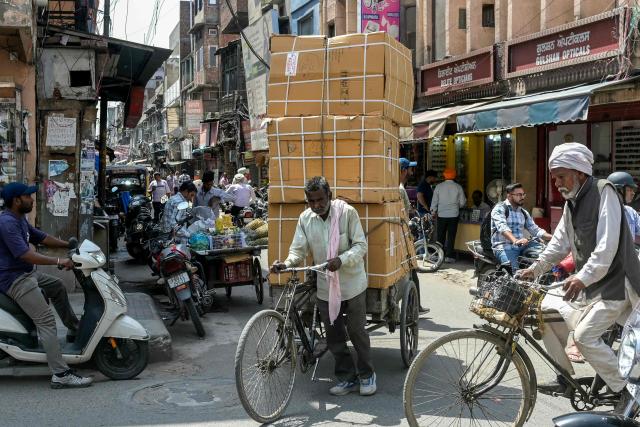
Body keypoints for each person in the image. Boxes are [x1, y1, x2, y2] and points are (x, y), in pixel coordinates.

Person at [519, 143, 640, 411]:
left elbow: (607, 246)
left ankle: (626, 392)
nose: (557, 182)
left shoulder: (603, 191)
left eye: (562, 176)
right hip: (592, 284)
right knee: (544, 309)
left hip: (617, 285)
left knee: (585, 337)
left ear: (580, 173)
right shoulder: (571, 202)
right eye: (554, 177)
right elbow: (560, 243)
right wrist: (535, 269)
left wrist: (582, 277)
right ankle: (564, 376)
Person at [271, 176, 376, 396]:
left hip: (352, 285)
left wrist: (342, 260)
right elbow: (297, 250)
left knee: (357, 332)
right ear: (307, 200)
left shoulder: (347, 213)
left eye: (320, 199)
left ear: (329, 195)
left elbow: (360, 246)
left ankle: (367, 375)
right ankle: (347, 378)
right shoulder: (305, 219)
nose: (317, 205)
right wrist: (286, 263)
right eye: (311, 201)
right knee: (334, 336)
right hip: (325, 285)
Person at [0, 182, 93, 388]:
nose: (32, 199)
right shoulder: (7, 223)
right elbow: (26, 254)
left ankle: (74, 329)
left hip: (25, 273)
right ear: (16, 201)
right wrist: (59, 261)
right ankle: (60, 373)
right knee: (47, 321)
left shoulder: (19, 219)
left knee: (58, 286)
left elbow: (41, 237)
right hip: (14, 280)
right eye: (27, 196)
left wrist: (68, 245)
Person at [490, 183, 552, 271]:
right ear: (509, 196)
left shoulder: (523, 212)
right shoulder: (500, 208)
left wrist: (552, 237)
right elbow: (502, 228)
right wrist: (515, 240)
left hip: (523, 245)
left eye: (523, 194)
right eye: (519, 195)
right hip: (505, 246)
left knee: (545, 256)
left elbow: (535, 229)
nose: (522, 197)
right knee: (515, 273)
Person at [431, 168, 466, 263]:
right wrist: (456, 206)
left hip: (441, 214)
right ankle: (449, 256)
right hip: (454, 215)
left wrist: (433, 212)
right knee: (451, 236)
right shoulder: (458, 187)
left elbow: (434, 201)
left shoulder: (439, 186)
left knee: (440, 236)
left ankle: (439, 254)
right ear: (454, 176)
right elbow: (462, 202)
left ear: (444, 175)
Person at [608, 171, 640, 239]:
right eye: (629, 190)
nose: (633, 193)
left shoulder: (631, 212)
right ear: (617, 190)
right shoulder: (602, 213)